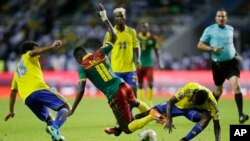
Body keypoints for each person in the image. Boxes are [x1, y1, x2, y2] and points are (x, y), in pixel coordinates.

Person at [61, 3, 156, 137]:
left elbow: (81, 89)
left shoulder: (82, 67)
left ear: (78, 58)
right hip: (122, 83)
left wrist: (72, 110)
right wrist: (104, 18)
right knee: (134, 102)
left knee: (128, 128)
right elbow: (115, 37)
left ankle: (153, 116)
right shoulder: (100, 53)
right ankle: (151, 113)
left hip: (115, 93)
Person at [4, 40, 71, 141]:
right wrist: (52, 47)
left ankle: (56, 137)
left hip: (27, 99)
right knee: (66, 107)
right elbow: (33, 53)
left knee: (48, 118)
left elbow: (13, 92)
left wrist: (11, 110)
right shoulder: (27, 55)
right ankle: (55, 128)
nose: (39, 54)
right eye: (37, 49)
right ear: (28, 50)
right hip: (38, 89)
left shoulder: (17, 70)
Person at [197, 8, 249, 124]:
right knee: (218, 90)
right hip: (218, 64)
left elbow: (230, 45)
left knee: (236, 87)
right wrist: (212, 48)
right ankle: (209, 112)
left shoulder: (230, 29)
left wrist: (235, 54)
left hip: (232, 63)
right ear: (216, 18)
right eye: (219, 16)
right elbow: (200, 45)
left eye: (223, 16)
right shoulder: (209, 30)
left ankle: (241, 115)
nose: (221, 18)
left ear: (226, 18)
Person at [134, 82, 221, 141]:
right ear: (194, 94)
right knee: (150, 112)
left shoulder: (212, 104)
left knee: (208, 116)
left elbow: (217, 125)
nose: (192, 102)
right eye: (193, 100)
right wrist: (169, 119)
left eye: (197, 103)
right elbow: (170, 102)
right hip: (177, 106)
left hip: (192, 111)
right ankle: (132, 119)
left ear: (205, 102)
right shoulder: (189, 88)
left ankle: (184, 139)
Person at [103, 6, 141, 98]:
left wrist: (138, 59)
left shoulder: (131, 32)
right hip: (116, 69)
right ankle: (124, 112)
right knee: (118, 96)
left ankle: (130, 112)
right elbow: (104, 50)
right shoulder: (110, 34)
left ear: (125, 17)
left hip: (130, 69)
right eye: (117, 16)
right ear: (115, 18)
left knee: (134, 94)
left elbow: (136, 46)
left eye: (121, 16)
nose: (120, 18)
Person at [137, 21, 164, 106]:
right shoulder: (136, 38)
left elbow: (157, 51)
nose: (144, 29)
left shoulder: (153, 38)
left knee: (150, 83)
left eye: (146, 27)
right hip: (139, 64)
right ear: (140, 28)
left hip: (149, 64)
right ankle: (141, 102)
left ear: (148, 28)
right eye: (143, 27)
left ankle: (149, 101)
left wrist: (160, 62)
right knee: (140, 84)